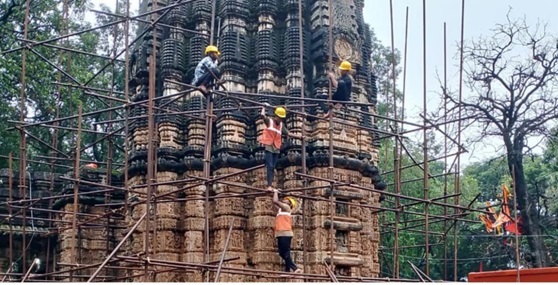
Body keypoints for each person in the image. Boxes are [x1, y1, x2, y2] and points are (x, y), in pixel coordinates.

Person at [259, 105, 300, 192]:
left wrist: (299, 137)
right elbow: (262, 116)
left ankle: (272, 185)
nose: (280, 120)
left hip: (276, 147)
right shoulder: (269, 121)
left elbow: (288, 133)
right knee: (269, 166)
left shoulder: (281, 125)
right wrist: (263, 107)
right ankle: (269, 186)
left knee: (273, 166)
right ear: (276, 116)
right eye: (279, 117)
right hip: (269, 146)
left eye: (282, 118)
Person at [272, 189, 302, 274]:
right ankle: (287, 270)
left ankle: (295, 268)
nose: (285, 199)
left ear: (289, 203)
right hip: (281, 233)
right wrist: (274, 193)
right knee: (283, 253)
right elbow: (274, 201)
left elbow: (275, 201)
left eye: (287, 200)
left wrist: (275, 192)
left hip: (285, 233)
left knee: (285, 253)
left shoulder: (286, 208)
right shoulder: (281, 210)